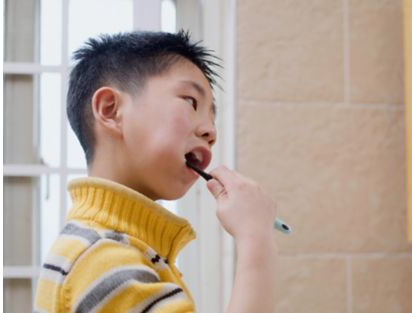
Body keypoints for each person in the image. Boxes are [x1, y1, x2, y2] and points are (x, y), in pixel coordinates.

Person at [34, 30, 278, 313]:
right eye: (191, 101)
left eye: (213, 116)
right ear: (111, 109)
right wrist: (256, 238)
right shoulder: (106, 258)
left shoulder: (103, 246)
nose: (211, 131)